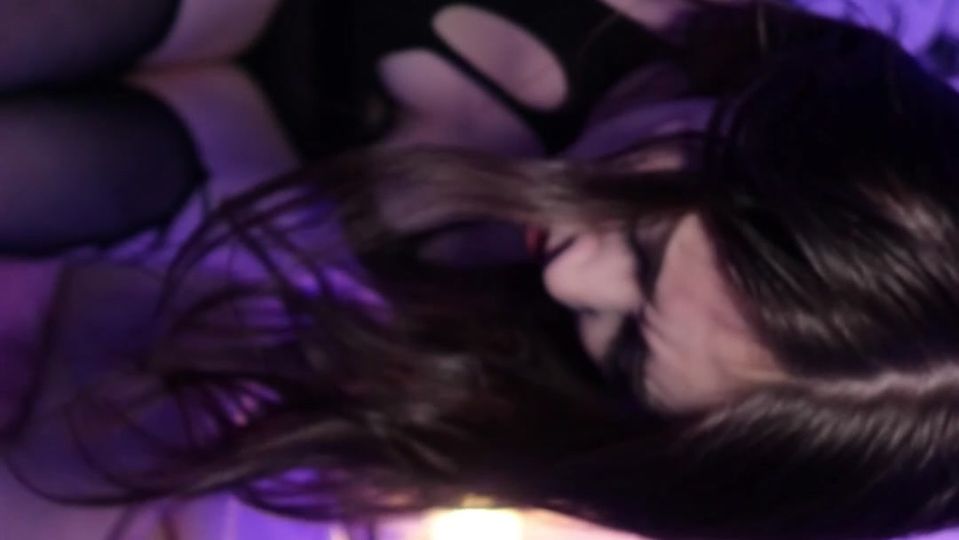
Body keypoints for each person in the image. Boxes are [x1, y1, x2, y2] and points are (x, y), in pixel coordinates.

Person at [6, 1, 959, 539]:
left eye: (628, 350)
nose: (569, 282)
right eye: (641, 240)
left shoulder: (531, 395)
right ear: (764, 115)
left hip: (195, 168)